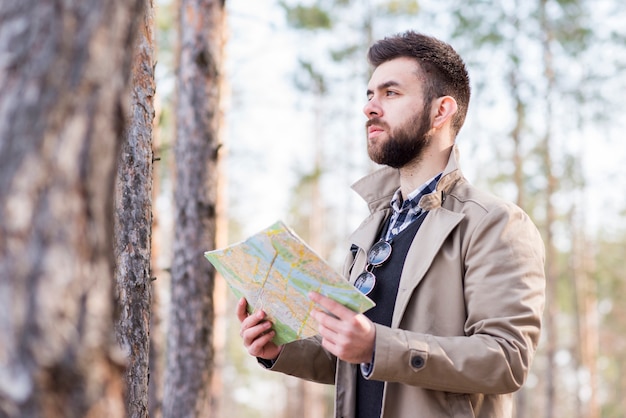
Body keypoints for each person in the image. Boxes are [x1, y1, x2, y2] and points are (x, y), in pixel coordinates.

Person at [237, 31, 546, 418]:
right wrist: (280, 350)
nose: (370, 107)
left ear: (441, 111)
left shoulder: (495, 224)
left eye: (390, 93)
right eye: (369, 95)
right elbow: (355, 363)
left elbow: (507, 358)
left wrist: (377, 346)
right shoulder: (371, 229)